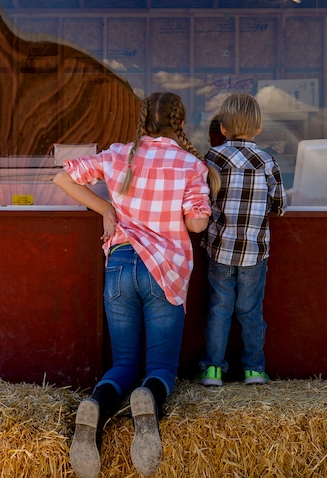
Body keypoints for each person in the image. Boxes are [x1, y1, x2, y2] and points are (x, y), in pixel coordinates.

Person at [54, 92, 219, 478]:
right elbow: (196, 223)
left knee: (125, 362)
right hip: (163, 271)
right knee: (159, 367)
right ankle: (149, 397)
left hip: (121, 264)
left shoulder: (118, 154)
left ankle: (97, 401)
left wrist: (107, 208)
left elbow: (63, 177)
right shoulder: (190, 164)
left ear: (143, 121)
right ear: (180, 124)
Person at [197, 93, 287, 387]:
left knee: (219, 309)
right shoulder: (266, 161)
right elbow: (280, 205)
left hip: (219, 249)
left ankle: (213, 370)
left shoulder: (212, 158)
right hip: (254, 251)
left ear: (222, 128)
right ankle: (253, 370)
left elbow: (201, 200)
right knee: (251, 312)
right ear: (259, 127)